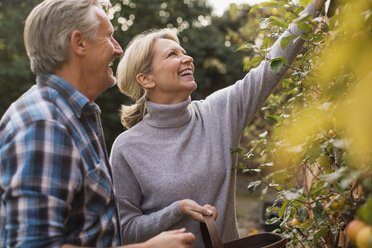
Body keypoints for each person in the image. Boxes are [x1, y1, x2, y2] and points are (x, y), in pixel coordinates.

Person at [110, 0, 327, 247]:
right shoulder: (126, 148)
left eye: (184, 51)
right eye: (173, 54)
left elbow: (269, 69)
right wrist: (177, 209)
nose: (187, 58)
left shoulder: (217, 113)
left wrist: (313, 9)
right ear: (146, 78)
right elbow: (124, 231)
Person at [0, 0, 196, 247]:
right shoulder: (45, 125)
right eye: (109, 37)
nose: (118, 50)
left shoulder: (73, 115)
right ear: (79, 43)